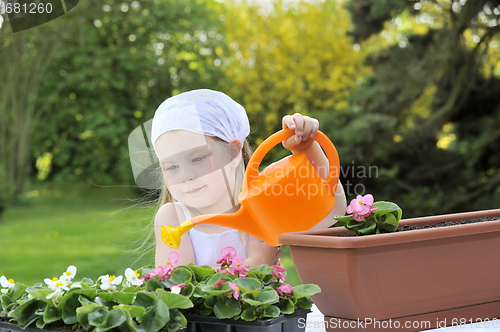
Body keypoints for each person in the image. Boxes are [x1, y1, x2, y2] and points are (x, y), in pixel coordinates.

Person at [150, 89, 346, 268]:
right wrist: (256, 263)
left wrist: (306, 148)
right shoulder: (174, 218)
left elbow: (330, 211)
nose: (186, 176)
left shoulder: (261, 204)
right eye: (172, 166)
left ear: (232, 154)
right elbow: (180, 291)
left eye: (198, 158)